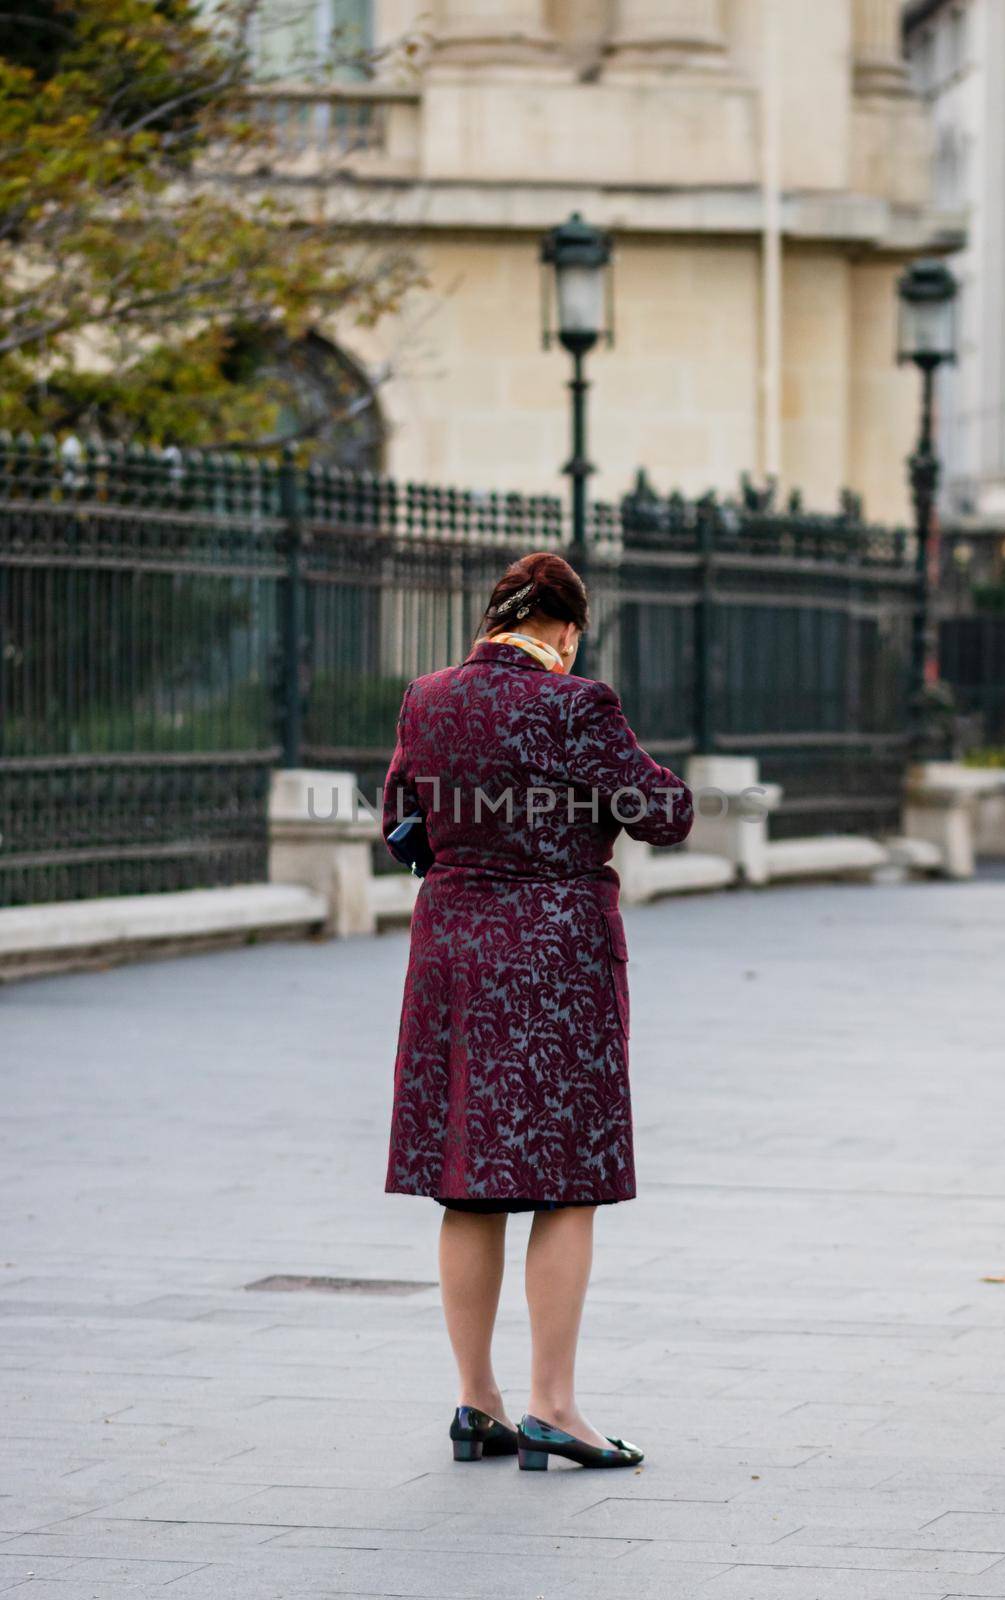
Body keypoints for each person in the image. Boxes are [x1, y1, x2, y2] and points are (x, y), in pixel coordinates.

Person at [382, 550, 693, 1471]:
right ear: (563, 628)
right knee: (567, 1181)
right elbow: (663, 814)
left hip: (451, 953)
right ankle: (551, 1405)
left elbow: (400, 815)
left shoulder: (426, 697)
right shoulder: (576, 703)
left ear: (491, 621)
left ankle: (476, 1403)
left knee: (465, 1173)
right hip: (556, 958)